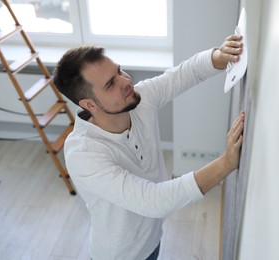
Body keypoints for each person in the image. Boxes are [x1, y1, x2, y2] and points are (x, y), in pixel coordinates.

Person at [53, 34, 245, 260]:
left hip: (152, 238)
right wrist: (225, 164)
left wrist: (219, 56)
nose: (126, 81)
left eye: (119, 71)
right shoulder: (83, 154)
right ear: (89, 104)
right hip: (120, 255)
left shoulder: (138, 99)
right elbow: (152, 200)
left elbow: (183, 74)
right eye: (110, 84)